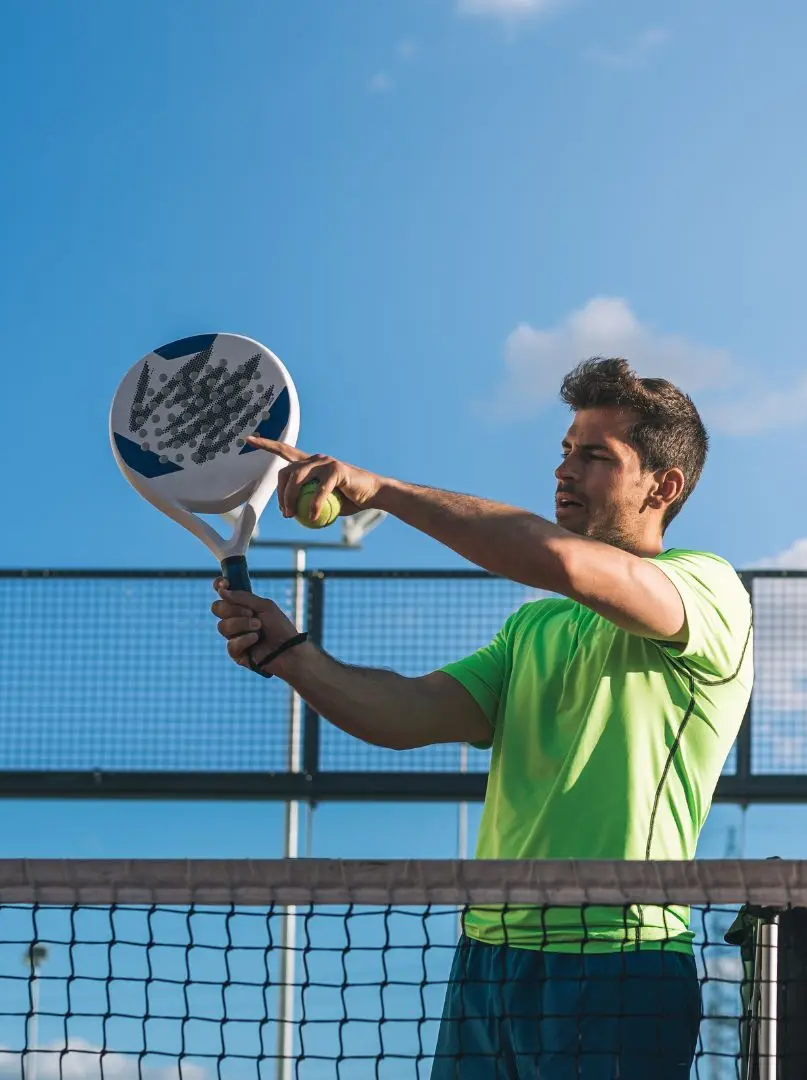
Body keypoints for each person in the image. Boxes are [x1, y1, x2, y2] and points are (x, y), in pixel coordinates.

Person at [211, 356, 754, 1079]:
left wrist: (381, 491)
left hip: (621, 955)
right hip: (489, 955)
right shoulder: (532, 631)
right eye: (564, 452)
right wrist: (291, 653)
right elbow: (405, 715)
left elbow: (560, 561)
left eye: (594, 457)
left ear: (665, 485)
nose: (565, 471)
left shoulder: (708, 590)